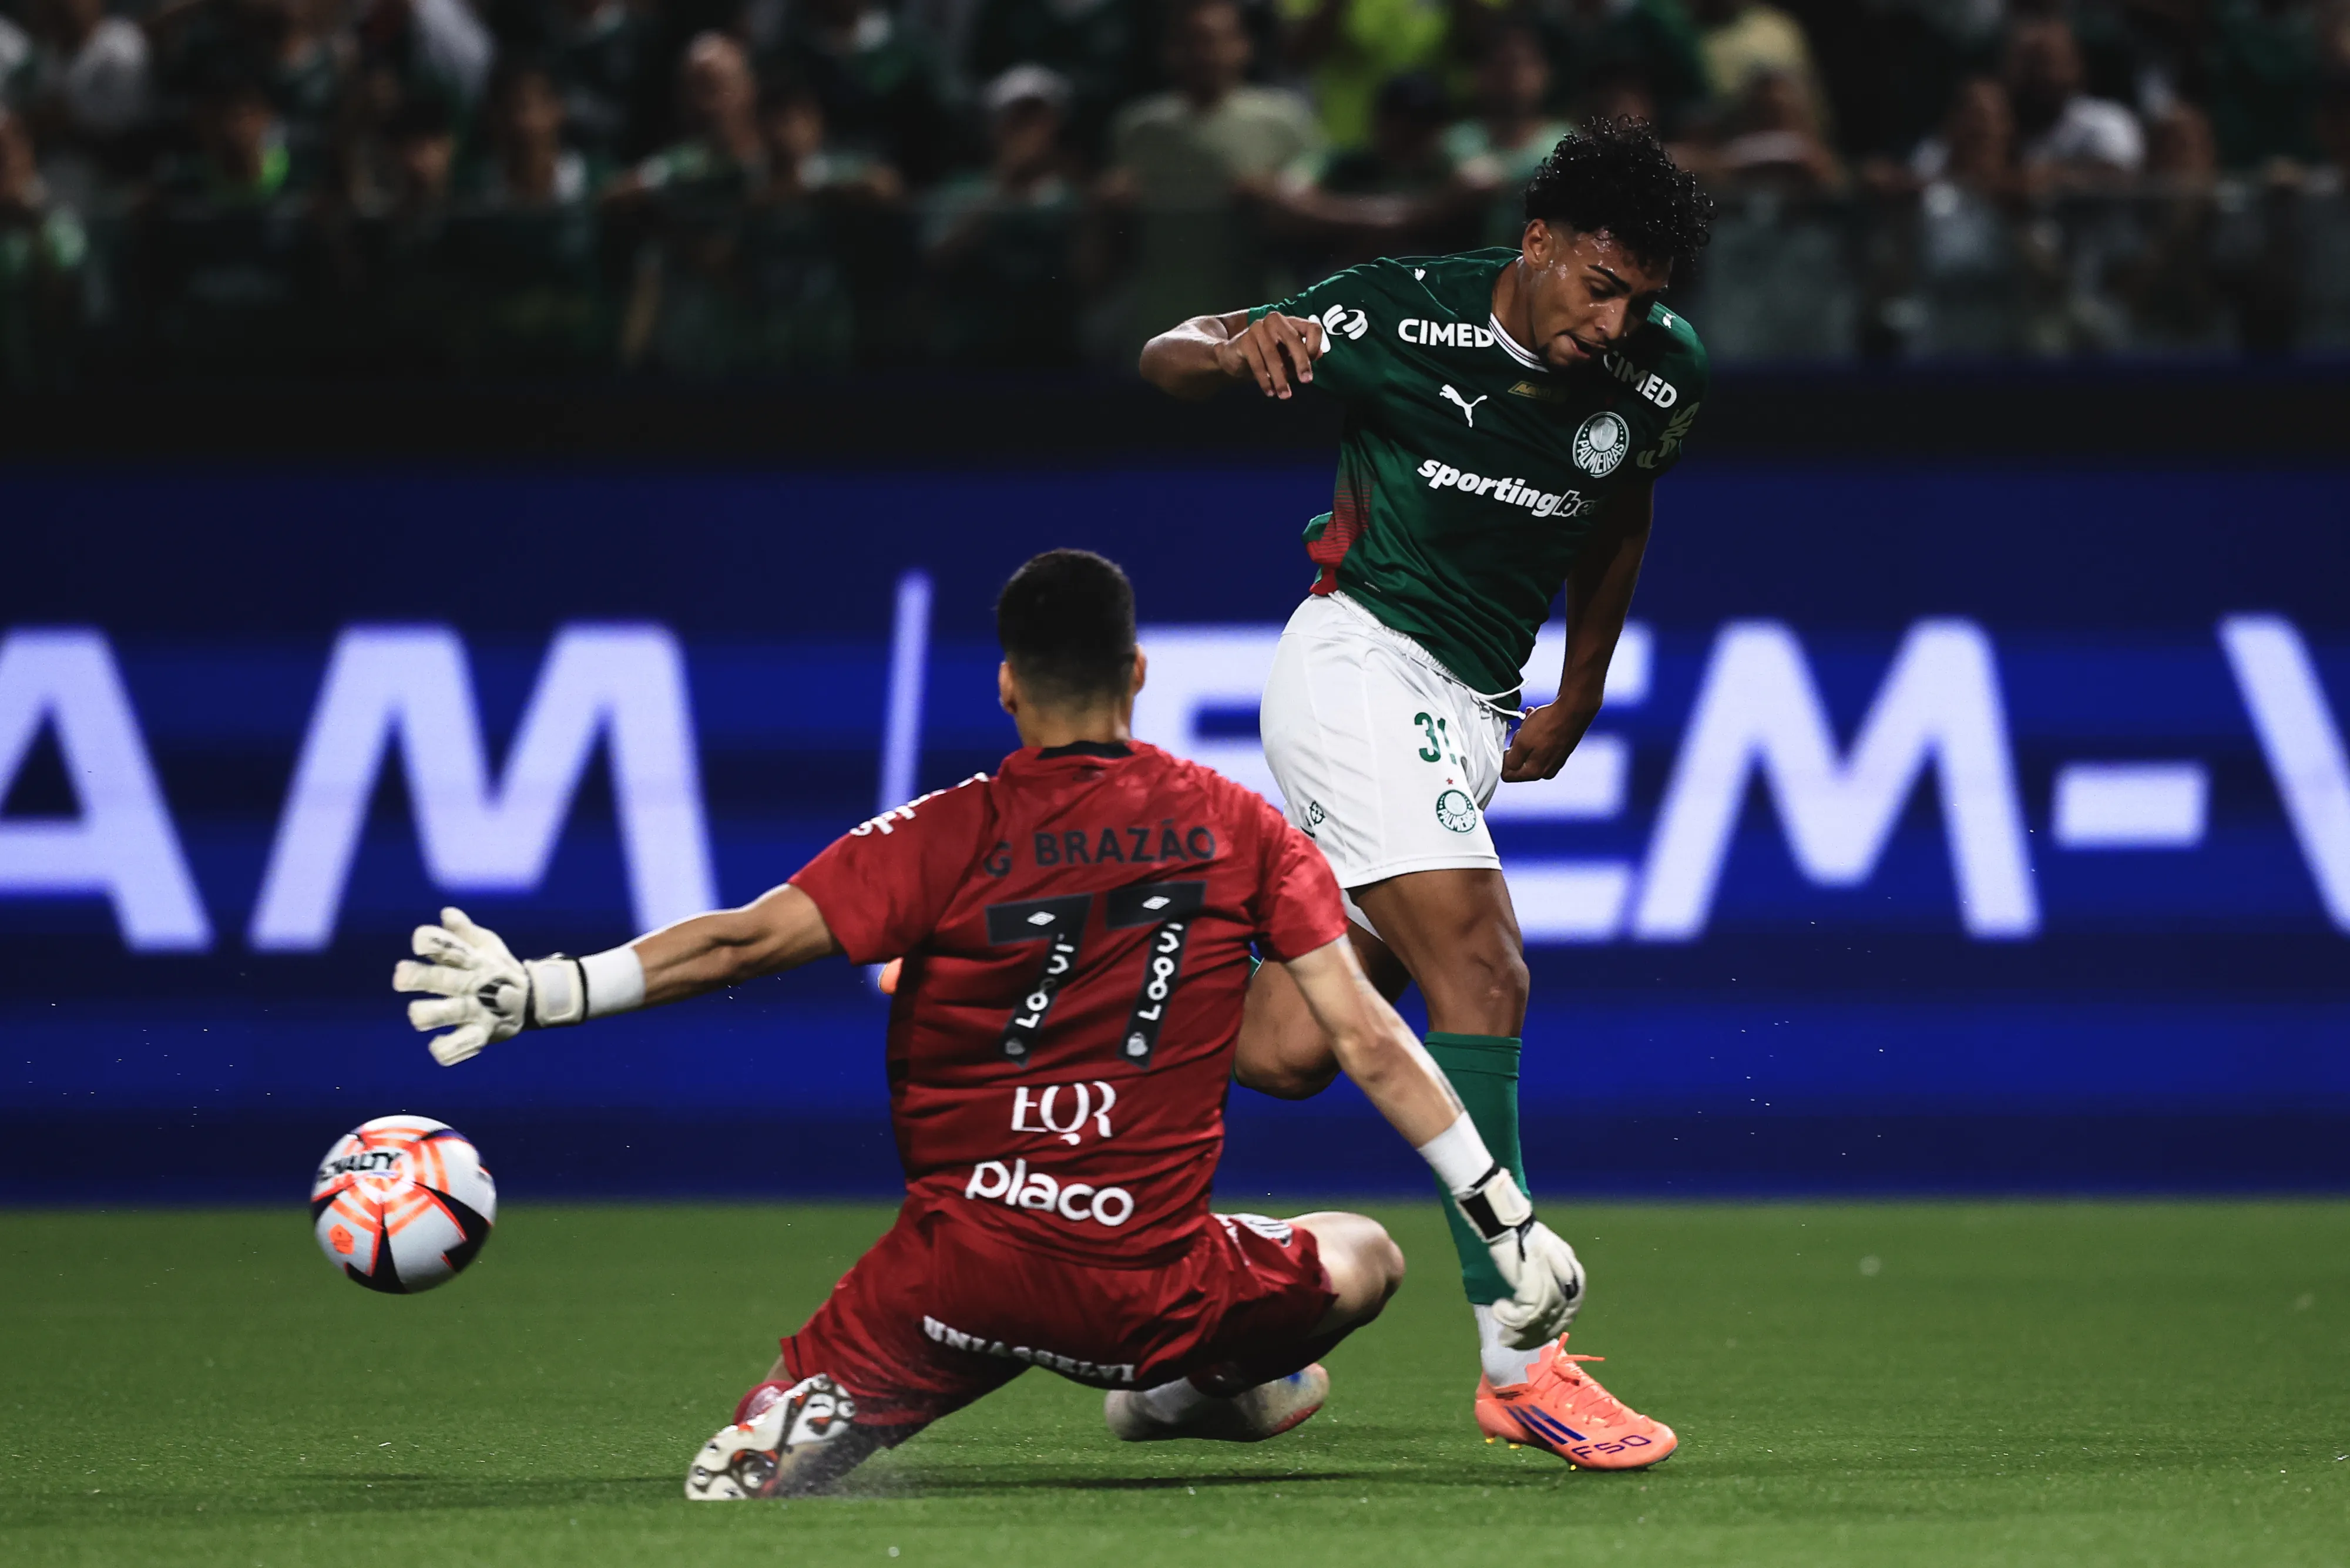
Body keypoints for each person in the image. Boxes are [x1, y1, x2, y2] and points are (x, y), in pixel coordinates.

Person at [392, 549, 1607, 1496]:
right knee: (1363, 1257)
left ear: (1006, 683)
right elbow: (1366, 1040)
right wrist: (1504, 1222)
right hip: (1149, 1279)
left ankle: (813, 1412)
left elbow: (737, 941)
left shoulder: (944, 831)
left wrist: (541, 989)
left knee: (747, 1476)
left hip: (954, 1278)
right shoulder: (1239, 826)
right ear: (1138, 674)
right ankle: (1189, 1383)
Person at [1137, 117, 1707, 1463]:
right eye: (1597, 285)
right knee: (1483, 967)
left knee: (1282, 1050)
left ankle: (1114, 985)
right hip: (1355, 661)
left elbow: (1619, 509)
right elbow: (1168, 356)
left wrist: (1576, 689)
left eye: (1642, 299)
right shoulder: (1398, 311)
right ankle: (1521, 1352)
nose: (1615, 321)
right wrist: (1236, 346)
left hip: (1466, 710)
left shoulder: (1659, 377)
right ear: (1538, 245)